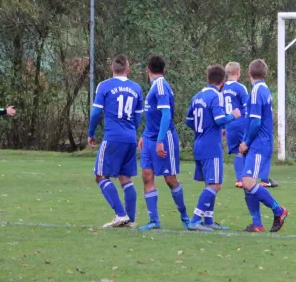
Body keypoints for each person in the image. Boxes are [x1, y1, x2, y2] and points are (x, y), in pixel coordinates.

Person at [88, 54, 143, 228]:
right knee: (125, 177)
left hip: (113, 137)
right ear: (128, 69)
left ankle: (121, 214)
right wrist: (131, 130)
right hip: (130, 137)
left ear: (112, 69)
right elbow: (138, 116)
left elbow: (96, 113)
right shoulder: (136, 88)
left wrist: (91, 132)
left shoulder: (104, 86)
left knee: (100, 175)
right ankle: (130, 220)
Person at [185, 64, 241, 231]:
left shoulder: (197, 96)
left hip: (199, 143)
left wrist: (203, 128)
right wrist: (233, 115)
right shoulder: (215, 97)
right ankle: (195, 220)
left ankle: (208, 220)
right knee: (215, 184)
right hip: (211, 146)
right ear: (222, 81)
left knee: (210, 183)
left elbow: (189, 120)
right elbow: (219, 120)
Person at [138, 55, 189, 231]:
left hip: (164, 138)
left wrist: (160, 141)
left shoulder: (160, 86)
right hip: (150, 138)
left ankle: (185, 218)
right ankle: (154, 221)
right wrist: (144, 134)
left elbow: (166, 115)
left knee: (170, 179)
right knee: (147, 175)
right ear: (164, 70)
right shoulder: (154, 87)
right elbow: (153, 115)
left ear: (147, 71)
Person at [238, 59, 288, 233]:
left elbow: (256, 123)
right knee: (247, 182)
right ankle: (257, 223)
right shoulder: (262, 90)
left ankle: (279, 211)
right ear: (265, 74)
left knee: (249, 182)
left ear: (248, 74)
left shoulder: (257, 91)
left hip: (259, 144)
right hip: (258, 143)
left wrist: (246, 142)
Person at [222, 62, 279, 189]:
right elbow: (249, 108)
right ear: (239, 72)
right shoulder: (242, 88)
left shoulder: (223, 88)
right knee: (246, 148)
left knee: (239, 151)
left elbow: (221, 107)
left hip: (229, 123)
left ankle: (240, 180)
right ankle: (262, 179)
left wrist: (224, 126)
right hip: (242, 123)